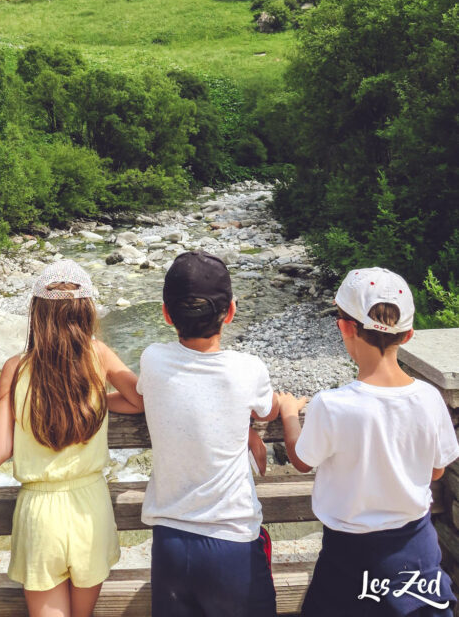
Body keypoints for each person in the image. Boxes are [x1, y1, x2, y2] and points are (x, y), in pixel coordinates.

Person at [278, 266, 459, 616]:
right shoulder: (429, 398)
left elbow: (302, 460)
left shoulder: (332, 405)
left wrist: (288, 413)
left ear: (344, 326)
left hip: (349, 557)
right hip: (416, 549)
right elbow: (436, 472)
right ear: (407, 335)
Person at [0, 259, 144, 617]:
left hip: (39, 512)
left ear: (37, 313)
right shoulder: (98, 355)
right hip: (91, 504)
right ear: (86, 310)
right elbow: (140, 399)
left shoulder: (17, 366)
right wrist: (95, 402)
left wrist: (3, 393)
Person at [137, 250, 279, 617]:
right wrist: (252, 426)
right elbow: (268, 409)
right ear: (230, 312)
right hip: (232, 542)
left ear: (167, 314)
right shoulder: (248, 369)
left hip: (169, 542)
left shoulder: (152, 359)